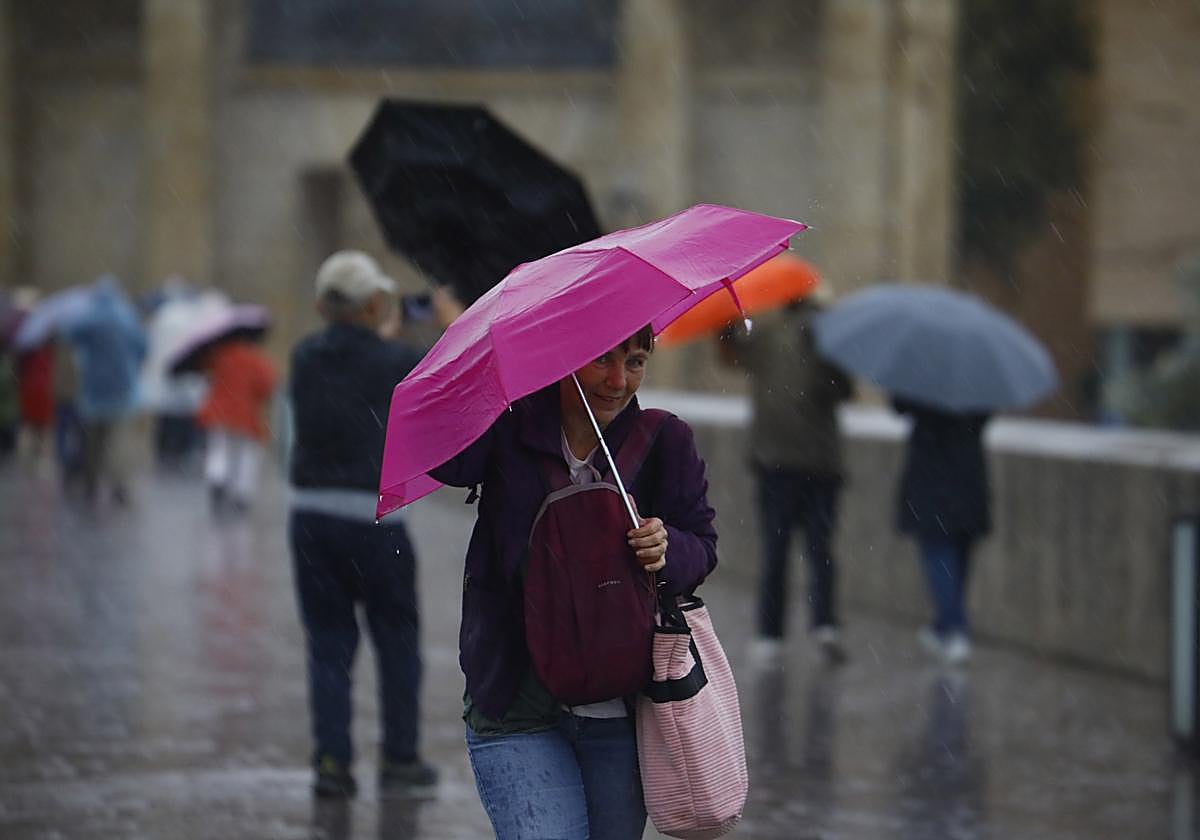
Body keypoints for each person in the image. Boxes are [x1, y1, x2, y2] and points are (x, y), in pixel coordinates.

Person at [431, 327, 719, 840]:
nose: (617, 380)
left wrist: (668, 546)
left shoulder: (663, 440)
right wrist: (485, 373)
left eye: (635, 362)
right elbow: (448, 461)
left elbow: (702, 547)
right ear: (564, 360)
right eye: (601, 359)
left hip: (620, 705)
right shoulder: (509, 430)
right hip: (514, 695)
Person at [288, 250, 456, 798]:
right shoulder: (394, 361)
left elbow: (345, 362)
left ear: (320, 305)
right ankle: (399, 757)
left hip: (312, 517)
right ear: (373, 305)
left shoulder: (304, 356)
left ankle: (333, 763)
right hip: (376, 525)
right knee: (396, 640)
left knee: (329, 645)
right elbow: (437, 381)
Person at [718, 293, 853, 663]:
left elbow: (731, 356)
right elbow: (843, 392)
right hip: (822, 462)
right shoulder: (831, 340)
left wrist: (724, 323)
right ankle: (825, 623)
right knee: (820, 548)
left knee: (775, 551)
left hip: (775, 461)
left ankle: (770, 634)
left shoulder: (767, 336)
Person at [893, 397, 991, 665]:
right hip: (969, 472)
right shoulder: (976, 374)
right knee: (958, 554)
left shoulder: (923, 373)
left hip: (931, 475)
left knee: (939, 552)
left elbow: (899, 405)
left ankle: (954, 629)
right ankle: (942, 626)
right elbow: (986, 414)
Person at [61, 278, 146, 507]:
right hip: (122, 389)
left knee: (93, 441)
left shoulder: (91, 316)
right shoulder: (127, 317)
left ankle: (90, 483)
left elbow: (70, 334)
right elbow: (143, 347)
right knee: (117, 441)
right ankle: (119, 487)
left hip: (94, 389)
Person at [197, 333, 277, 515]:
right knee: (246, 455)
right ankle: (242, 494)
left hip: (218, 413)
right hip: (245, 415)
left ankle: (216, 478)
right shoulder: (256, 360)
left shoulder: (219, 355)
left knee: (219, 449)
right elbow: (268, 385)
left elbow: (206, 374)